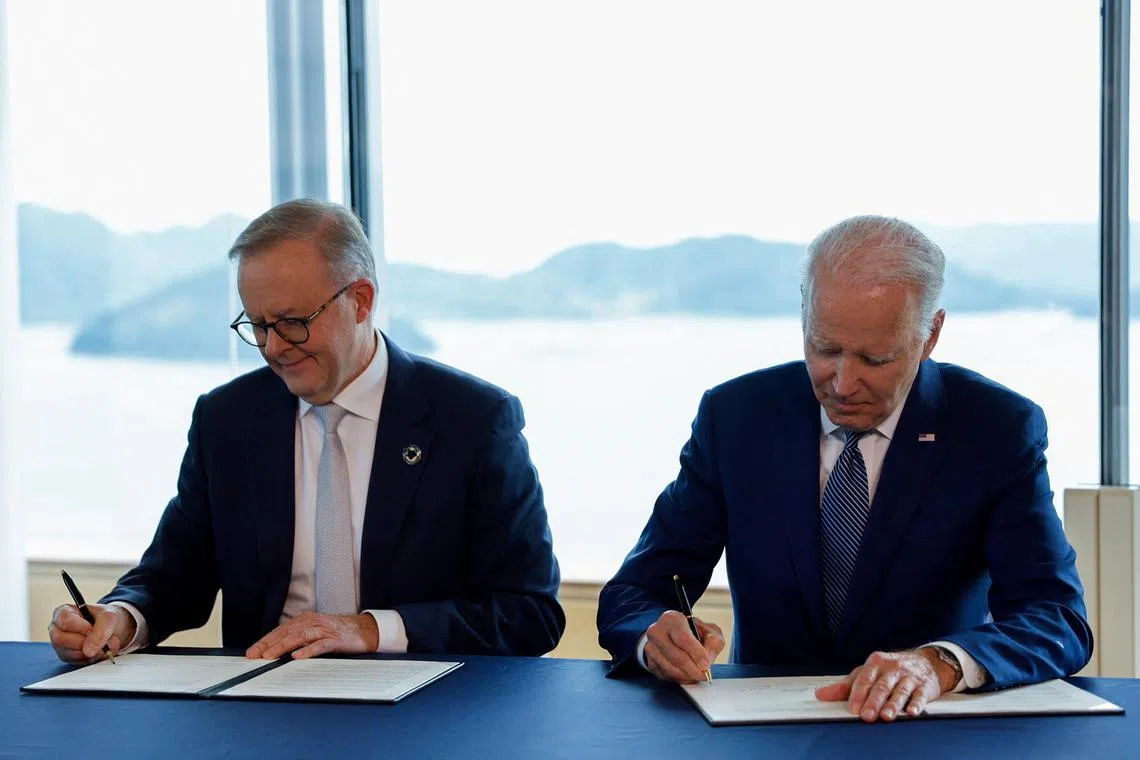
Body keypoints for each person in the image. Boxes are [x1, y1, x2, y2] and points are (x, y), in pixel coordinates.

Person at [596, 215, 1092, 722]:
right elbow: (636, 592)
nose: (843, 383)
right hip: (763, 732)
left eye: (875, 359)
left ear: (930, 336)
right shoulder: (737, 416)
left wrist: (939, 663)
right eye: (824, 348)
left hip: (925, 732)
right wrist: (654, 634)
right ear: (805, 318)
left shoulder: (994, 428)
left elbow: (1056, 619)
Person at [49, 198, 565, 663]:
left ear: (360, 300)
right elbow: (174, 575)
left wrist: (371, 630)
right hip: (263, 707)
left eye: (293, 321)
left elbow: (529, 613)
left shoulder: (473, 420)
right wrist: (121, 618)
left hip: (424, 711)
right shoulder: (227, 419)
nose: (273, 347)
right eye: (257, 325)